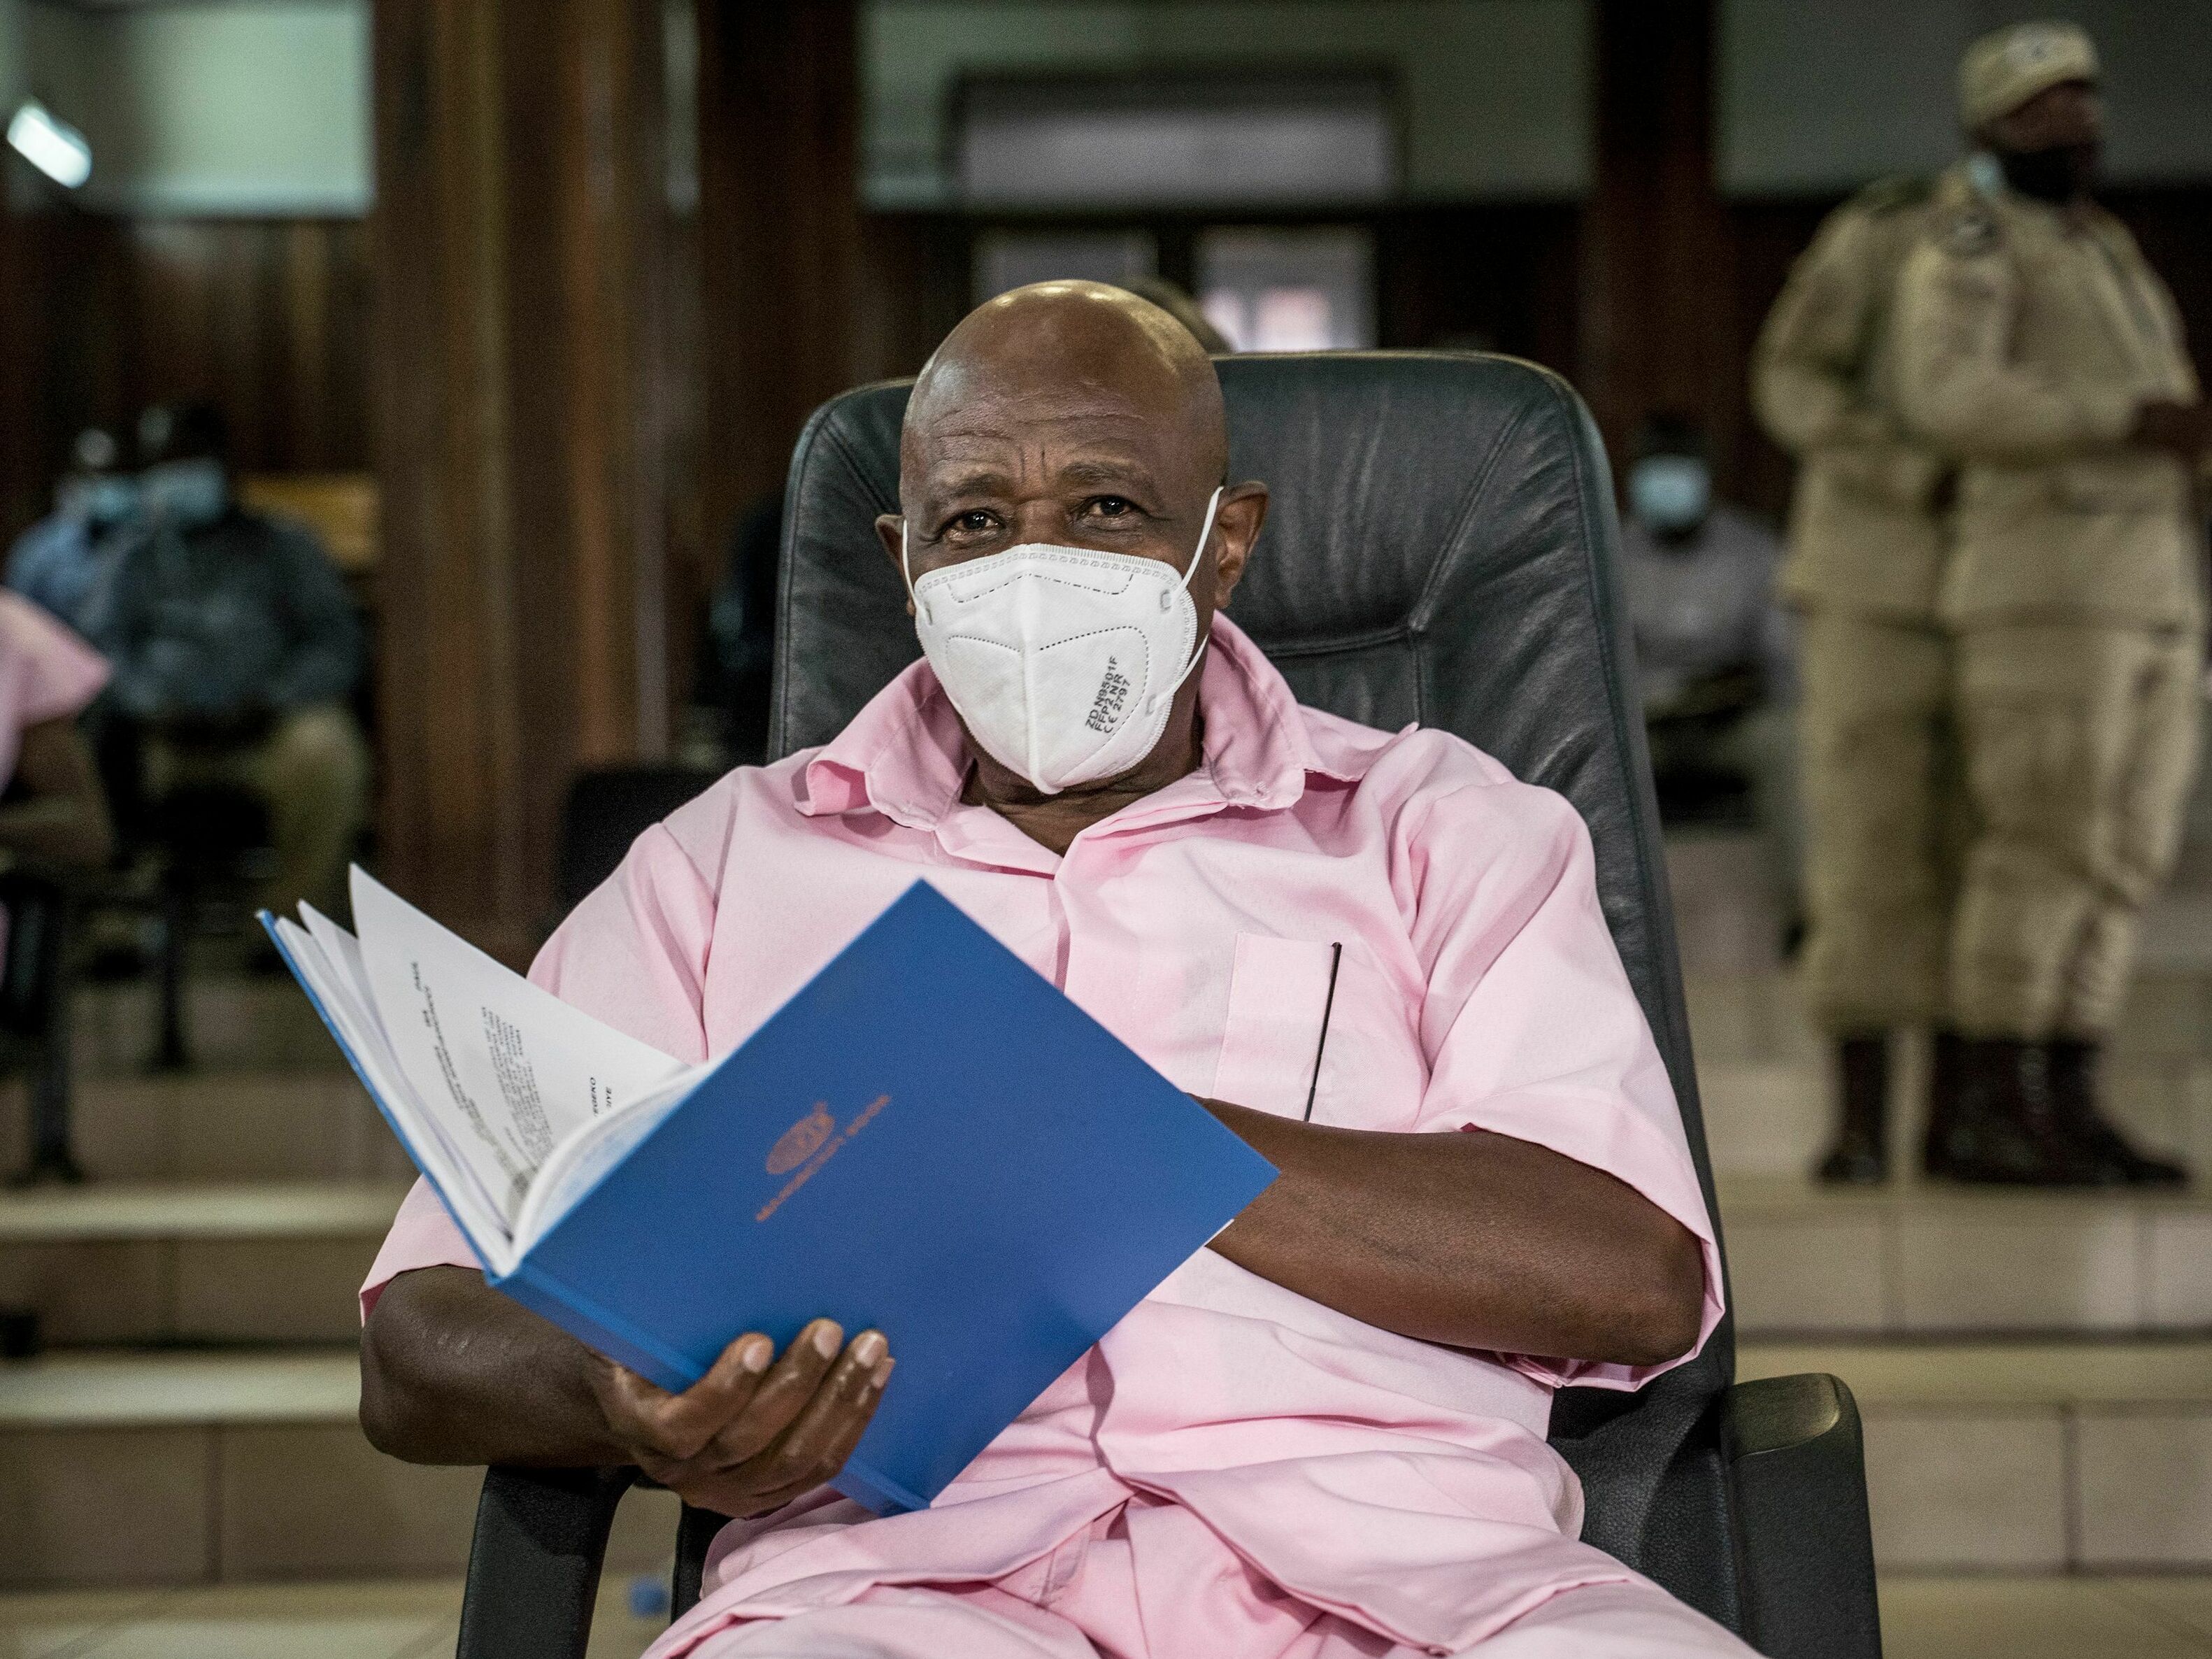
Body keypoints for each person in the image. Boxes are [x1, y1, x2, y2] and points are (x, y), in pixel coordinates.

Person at [356, 284, 1748, 1657]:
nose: (1033, 566)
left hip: (1408, 1583)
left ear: (1224, 543)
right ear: (904, 562)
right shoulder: (722, 868)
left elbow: (1629, 1274)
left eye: (1104, 508)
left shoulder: (1436, 828)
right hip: (887, 1596)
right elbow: (420, 1336)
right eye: (974, 521)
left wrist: (1122, 1130)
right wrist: (619, 1397)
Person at [1892, 21, 2211, 1187]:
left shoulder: (2102, 246)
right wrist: (2116, 419)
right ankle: (1990, 1100)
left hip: (2150, 594)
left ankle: (2068, 1092)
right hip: (2043, 595)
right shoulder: (1969, 243)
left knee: (2122, 855)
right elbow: (1943, 392)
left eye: (2081, 99)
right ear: (1986, 130)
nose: (2071, 122)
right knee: (2039, 848)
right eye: (2039, 106)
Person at [1753, 165, 1962, 1185]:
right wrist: (1900, 466)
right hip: (1873, 576)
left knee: (1994, 859)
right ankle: (1863, 1119)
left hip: (2014, 588)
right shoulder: (1884, 230)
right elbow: (1790, 378)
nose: (2071, 129)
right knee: (1867, 850)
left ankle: (1977, 1115)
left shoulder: (2091, 245)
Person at [83, 403, 369, 923]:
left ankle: (291, 924)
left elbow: (336, 645)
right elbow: (100, 653)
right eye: (162, 464)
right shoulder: (132, 556)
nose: (175, 477)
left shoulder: (286, 544)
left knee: (329, 752)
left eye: (188, 460)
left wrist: (271, 701)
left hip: (266, 729)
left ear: (223, 464)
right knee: (88, 749)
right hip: (162, 738)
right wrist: (151, 704)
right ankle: (118, 922)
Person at [1618, 416, 1799, 911]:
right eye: (1656, 473)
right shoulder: (1608, 552)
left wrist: (1741, 689)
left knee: (1793, 746)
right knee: (1591, 758)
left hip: (1730, 723)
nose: (1669, 487)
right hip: (1642, 729)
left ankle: (1806, 915)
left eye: (1681, 473)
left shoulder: (1753, 549)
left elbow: (1783, 656)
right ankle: (1605, 921)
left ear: (1706, 478)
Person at [7, 427, 140, 635]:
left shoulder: (134, 541)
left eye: (108, 474)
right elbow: (17, 620)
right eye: (90, 475)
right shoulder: (39, 548)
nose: (100, 484)